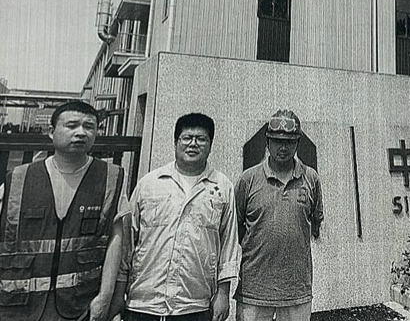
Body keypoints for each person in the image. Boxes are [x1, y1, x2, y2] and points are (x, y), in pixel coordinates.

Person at [0, 100, 126, 321]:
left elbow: (117, 242)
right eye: (72, 125)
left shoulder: (110, 179)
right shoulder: (20, 178)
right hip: (18, 305)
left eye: (89, 126)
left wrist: (105, 297)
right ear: (51, 132)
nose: (81, 132)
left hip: (79, 305)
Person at [117, 113, 238, 321]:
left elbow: (228, 244)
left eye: (201, 139)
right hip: (143, 302)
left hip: (194, 304)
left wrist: (223, 294)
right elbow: (127, 242)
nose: (193, 144)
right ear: (175, 142)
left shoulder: (222, 186)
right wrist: (118, 294)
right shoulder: (150, 183)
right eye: (187, 138)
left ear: (210, 145)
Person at [235, 109, 324, 321]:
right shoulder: (248, 179)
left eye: (289, 142)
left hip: (296, 290)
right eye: (277, 141)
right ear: (267, 142)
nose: (283, 147)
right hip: (254, 289)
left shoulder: (311, 178)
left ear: (298, 143)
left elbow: (315, 223)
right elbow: (236, 228)